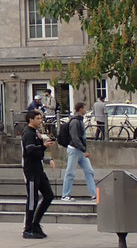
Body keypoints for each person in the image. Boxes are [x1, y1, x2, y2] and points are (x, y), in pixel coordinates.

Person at [22, 109, 56, 239]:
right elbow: (29, 150)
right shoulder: (28, 133)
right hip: (31, 171)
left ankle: (36, 224)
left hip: (38, 170)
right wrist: (43, 146)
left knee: (48, 195)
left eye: (41, 119)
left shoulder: (35, 133)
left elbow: (38, 152)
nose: (40, 121)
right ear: (31, 120)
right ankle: (28, 228)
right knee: (32, 199)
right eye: (38, 119)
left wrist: (46, 157)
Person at [60, 101, 97, 201]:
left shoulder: (79, 120)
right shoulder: (75, 121)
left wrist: (83, 149)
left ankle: (94, 194)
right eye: (84, 108)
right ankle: (65, 194)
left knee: (89, 171)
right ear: (80, 109)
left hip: (80, 150)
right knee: (70, 172)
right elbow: (75, 137)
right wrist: (83, 149)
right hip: (74, 149)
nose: (85, 110)